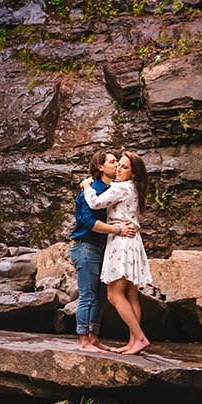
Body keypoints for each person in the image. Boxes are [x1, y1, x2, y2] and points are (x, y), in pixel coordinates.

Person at [83, 151, 155, 355]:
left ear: (133, 173)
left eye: (124, 167)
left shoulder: (122, 187)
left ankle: (140, 338)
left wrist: (87, 187)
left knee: (114, 295)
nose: (118, 169)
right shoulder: (133, 188)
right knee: (131, 294)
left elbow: (95, 203)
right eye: (118, 165)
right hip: (133, 242)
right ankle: (133, 342)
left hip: (121, 242)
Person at [70, 148, 139, 352]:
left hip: (105, 248)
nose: (116, 165)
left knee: (101, 296)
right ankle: (84, 341)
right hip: (86, 247)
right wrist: (117, 229)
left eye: (118, 162)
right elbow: (87, 222)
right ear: (100, 167)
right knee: (87, 295)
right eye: (112, 162)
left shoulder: (115, 189)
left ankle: (93, 337)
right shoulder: (89, 189)